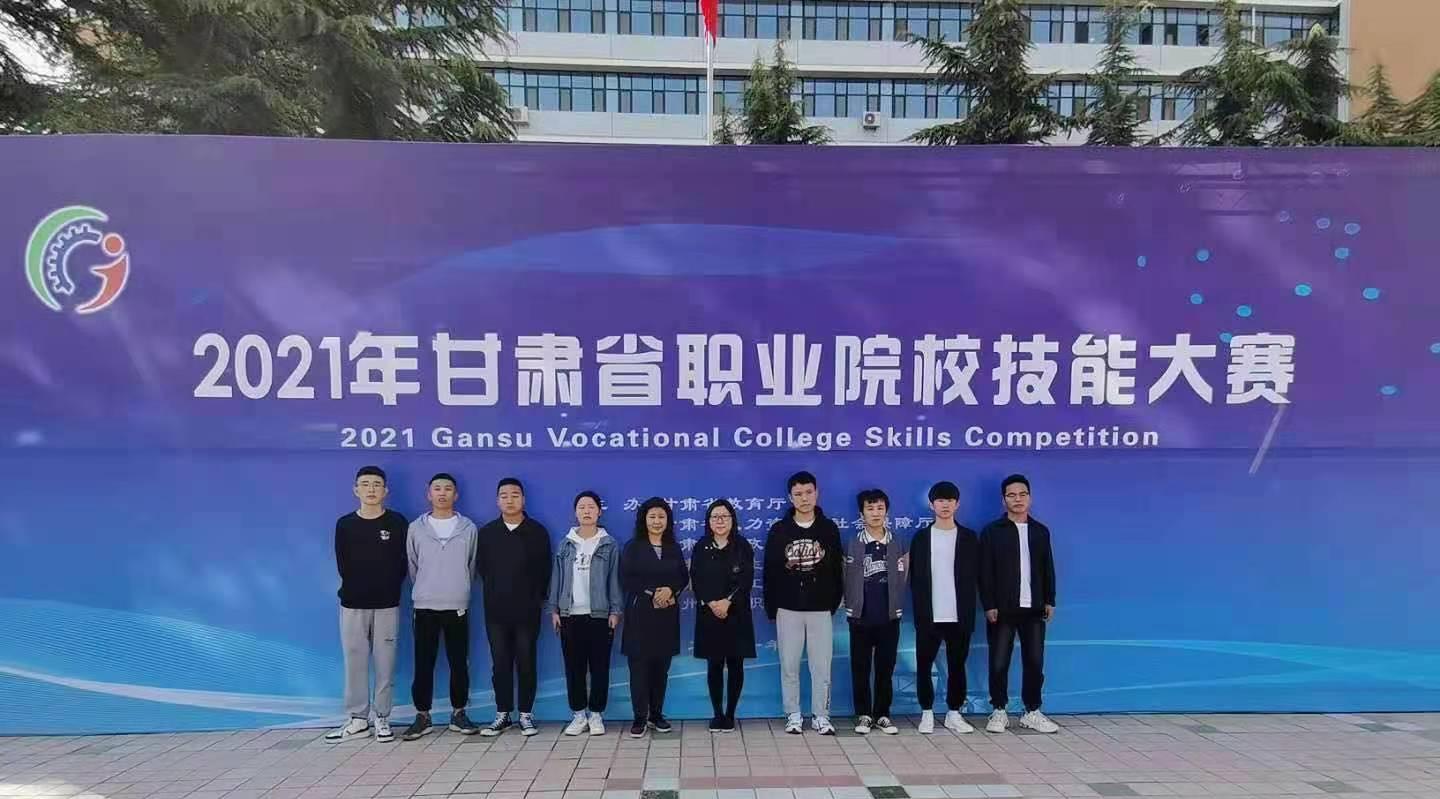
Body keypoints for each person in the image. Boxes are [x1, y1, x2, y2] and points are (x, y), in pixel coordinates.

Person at [327, 466, 409, 744]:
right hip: (353, 604)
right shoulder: (345, 524)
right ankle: (358, 719)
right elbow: (343, 564)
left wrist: (389, 588)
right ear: (356, 490)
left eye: (376, 484)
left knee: (385, 663)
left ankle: (382, 717)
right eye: (365, 484)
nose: (371, 489)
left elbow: (403, 563)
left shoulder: (397, 522)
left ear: (385, 491)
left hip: (387, 604)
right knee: (355, 662)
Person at [763, 471, 843, 735]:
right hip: (788, 608)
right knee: (789, 664)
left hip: (820, 608)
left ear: (816, 493)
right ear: (790, 497)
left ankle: (821, 715)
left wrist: (832, 602)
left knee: (821, 666)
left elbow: (837, 570)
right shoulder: (780, 530)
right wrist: (772, 607)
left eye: (808, 492)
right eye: (798, 494)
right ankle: (793, 714)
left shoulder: (828, 529)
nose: (804, 498)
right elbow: (770, 571)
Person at [980, 474, 1060, 735]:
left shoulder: (1040, 531)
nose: (1017, 499)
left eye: (1022, 494)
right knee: (999, 662)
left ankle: (1032, 711)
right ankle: (999, 710)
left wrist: (1050, 599)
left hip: (1034, 608)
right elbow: (985, 572)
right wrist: (989, 604)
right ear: (1003, 500)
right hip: (1002, 609)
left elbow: (1048, 567)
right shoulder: (992, 532)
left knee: (1035, 661)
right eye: (1011, 495)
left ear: (1030, 498)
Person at [402, 473, 480, 740]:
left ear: (456, 495)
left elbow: (471, 565)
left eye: (448, 489)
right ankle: (422, 716)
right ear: (429, 494)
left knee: (459, 662)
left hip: (457, 604)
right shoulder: (416, 528)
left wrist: (459, 588)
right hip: (425, 606)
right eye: (437, 489)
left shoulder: (468, 528)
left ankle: (459, 714)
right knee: (423, 663)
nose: (442, 493)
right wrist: (427, 588)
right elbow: (413, 565)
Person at [475, 477, 551, 737]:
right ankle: (503, 713)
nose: (510, 500)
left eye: (515, 495)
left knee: (527, 661)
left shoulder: (537, 532)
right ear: (497, 501)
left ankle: (526, 715)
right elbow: (482, 569)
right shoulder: (487, 533)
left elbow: (545, 570)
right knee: (500, 663)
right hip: (496, 611)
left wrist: (535, 597)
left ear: (523, 499)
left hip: (528, 611)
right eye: (504, 495)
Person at [546, 491, 622, 737]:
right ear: (575, 512)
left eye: (591, 507)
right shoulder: (566, 543)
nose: (586, 511)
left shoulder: (609, 543)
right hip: (570, 615)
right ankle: (579, 714)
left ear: (599, 511)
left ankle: (596, 714)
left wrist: (615, 609)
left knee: (600, 667)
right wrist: (554, 609)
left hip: (599, 615)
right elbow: (556, 578)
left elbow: (614, 579)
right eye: (582, 507)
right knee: (574, 668)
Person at [909, 480, 980, 735]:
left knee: (957, 666)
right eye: (940, 500)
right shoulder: (921, 538)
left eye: (950, 500)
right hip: (929, 614)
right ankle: (926, 712)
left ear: (957, 504)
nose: (945, 505)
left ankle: (954, 713)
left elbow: (978, 576)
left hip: (959, 614)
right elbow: (914, 579)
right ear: (931, 505)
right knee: (924, 664)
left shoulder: (969, 538)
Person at [620, 498, 690, 738]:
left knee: (661, 668)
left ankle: (656, 715)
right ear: (644, 519)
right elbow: (626, 578)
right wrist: (652, 593)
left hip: (666, 615)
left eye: (661, 516)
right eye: (652, 517)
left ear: (668, 520)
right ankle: (639, 718)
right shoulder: (633, 547)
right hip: (640, 614)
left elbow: (682, 577)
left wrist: (671, 590)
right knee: (639, 668)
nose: (657, 521)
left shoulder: (673, 547)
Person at [842, 489, 909, 736]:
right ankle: (863, 714)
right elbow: (843, 576)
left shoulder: (898, 542)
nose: (875, 513)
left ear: (886, 511)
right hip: (860, 616)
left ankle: (882, 714)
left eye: (880, 508)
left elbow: (905, 574)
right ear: (861, 514)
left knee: (885, 668)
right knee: (860, 668)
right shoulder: (852, 543)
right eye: (870, 509)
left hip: (889, 616)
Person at [691, 499, 755, 733]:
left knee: (736, 664)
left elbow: (746, 580)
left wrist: (728, 602)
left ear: (732, 520)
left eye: (724, 516)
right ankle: (717, 714)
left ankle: (730, 714)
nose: (720, 521)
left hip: (737, 613)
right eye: (715, 517)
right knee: (714, 665)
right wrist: (712, 602)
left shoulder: (742, 546)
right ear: (708, 521)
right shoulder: (701, 546)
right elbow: (696, 578)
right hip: (710, 614)